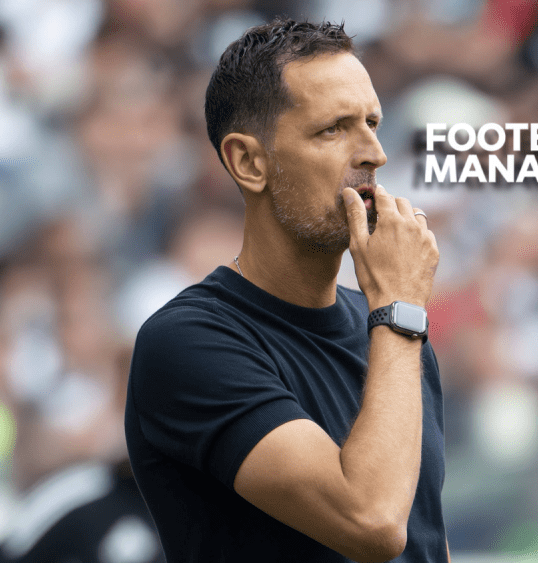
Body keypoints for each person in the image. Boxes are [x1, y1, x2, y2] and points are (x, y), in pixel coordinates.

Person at [124, 18, 448, 563]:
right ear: (249, 162)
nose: (375, 153)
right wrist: (399, 309)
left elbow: (424, 544)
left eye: (372, 123)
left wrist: (398, 315)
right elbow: (371, 522)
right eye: (334, 129)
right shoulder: (187, 343)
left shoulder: (396, 330)